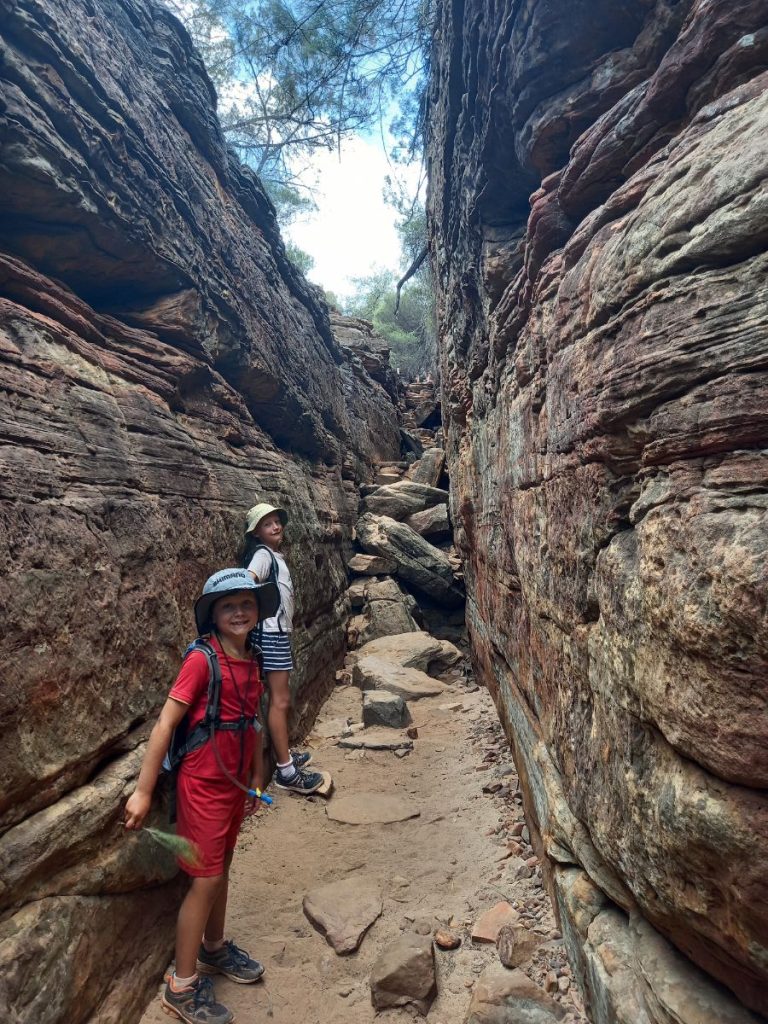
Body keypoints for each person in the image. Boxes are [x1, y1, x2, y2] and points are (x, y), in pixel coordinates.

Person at [124, 568, 279, 1024]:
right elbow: (165, 724)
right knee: (207, 878)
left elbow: (251, 720)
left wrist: (256, 777)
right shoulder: (202, 660)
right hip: (203, 783)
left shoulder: (252, 657)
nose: (238, 612)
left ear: (257, 611)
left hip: (232, 784)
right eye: (228, 605)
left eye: (246, 604)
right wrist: (142, 791)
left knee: (223, 866)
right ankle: (182, 985)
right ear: (212, 614)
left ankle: (213, 948)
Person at [242, 502, 324, 795]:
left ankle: (284, 754)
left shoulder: (273, 555)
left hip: (277, 632)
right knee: (279, 699)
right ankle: (286, 771)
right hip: (271, 633)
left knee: (280, 698)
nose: (276, 527)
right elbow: (248, 581)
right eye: (268, 524)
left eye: (277, 521)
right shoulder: (263, 556)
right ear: (256, 534)